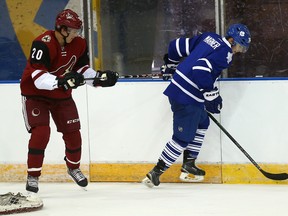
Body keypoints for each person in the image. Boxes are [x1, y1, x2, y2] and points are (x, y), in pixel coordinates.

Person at [20, 9, 119, 193]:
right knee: (41, 133)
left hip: (61, 95)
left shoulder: (79, 43)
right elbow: (38, 78)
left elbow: (82, 71)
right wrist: (61, 82)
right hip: (35, 95)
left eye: (77, 30)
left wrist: (99, 78)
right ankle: (33, 175)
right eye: (73, 30)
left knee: (73, 133)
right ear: (62, 29)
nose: (76, 34)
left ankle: (73, 167)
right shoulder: (42, 44)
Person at [142, 24, 251, 187]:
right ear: (231, 40)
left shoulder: (209, 37)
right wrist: (212, 96)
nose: (238, 51)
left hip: (184, 92)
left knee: (202, 122)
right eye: (239, 46)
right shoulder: (225, 54)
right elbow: (200, 69)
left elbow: (176, 46)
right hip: (186, 97)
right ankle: (156, 172)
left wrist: (170, 65)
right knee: (182, 138)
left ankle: (189, 164)